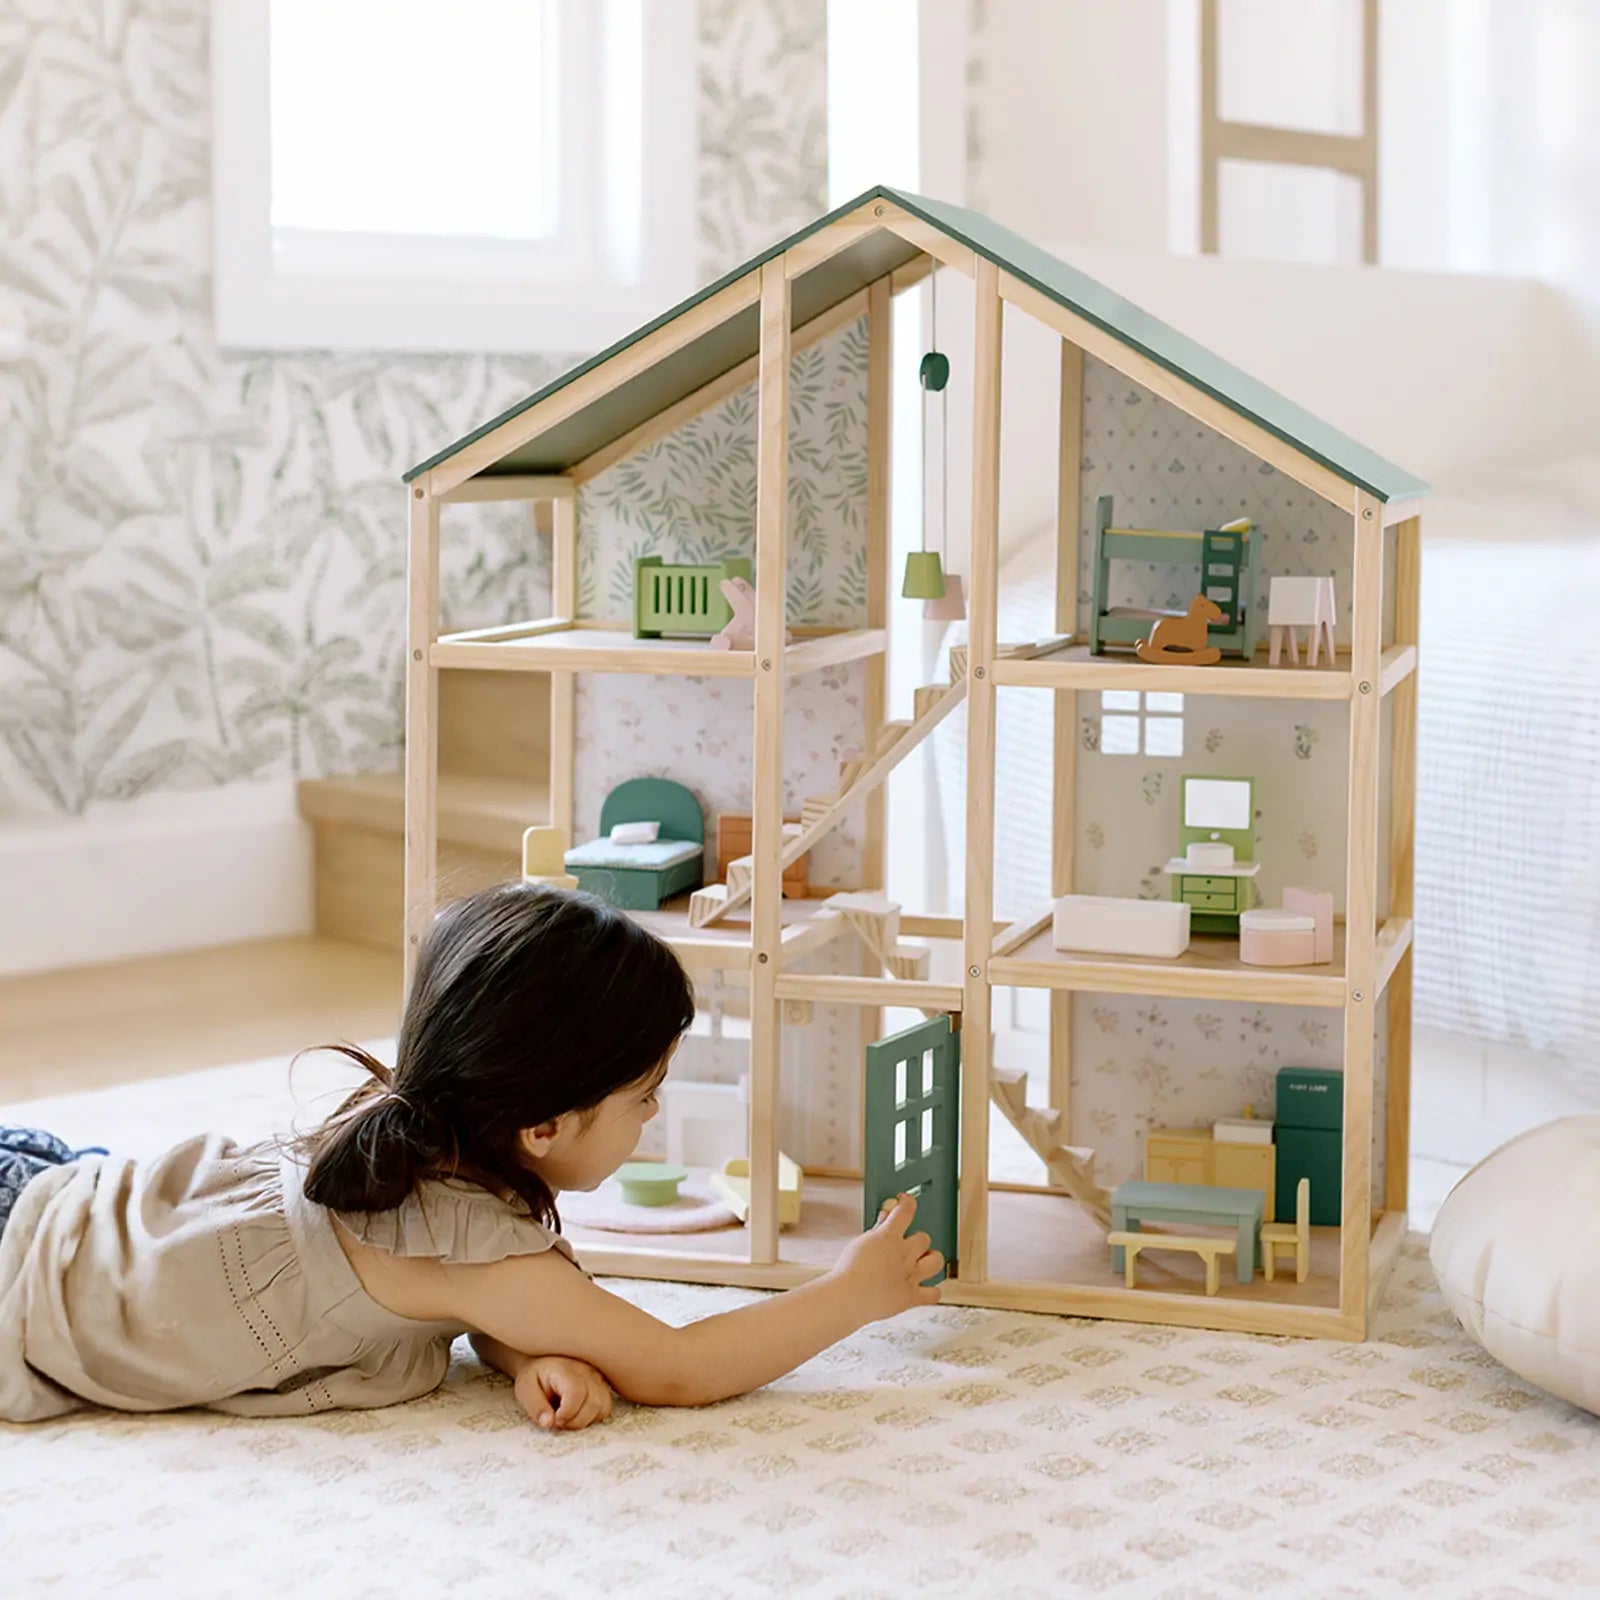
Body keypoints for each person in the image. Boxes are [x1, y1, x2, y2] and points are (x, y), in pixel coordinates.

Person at [0, 884, 942, 1427]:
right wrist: (850, 1295)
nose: (653, 1118)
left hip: (64, 1192)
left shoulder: (412, 1114)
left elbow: (480, 1300)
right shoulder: (488, 1254)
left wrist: (525, 1350)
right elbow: (678, 1367)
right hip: (23, 1284)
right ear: (543, 1129)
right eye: (644, 1097)